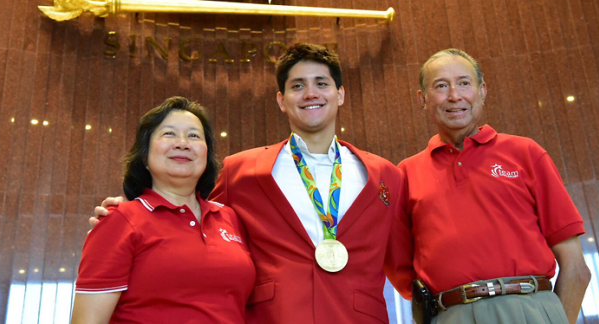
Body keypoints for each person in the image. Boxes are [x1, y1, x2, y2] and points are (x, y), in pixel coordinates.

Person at [91, 44, 410, 323]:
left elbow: (405, 265)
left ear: (340, 94)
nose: (310, 93)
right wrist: (132, 214)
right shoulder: (241, 171)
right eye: (297, 85)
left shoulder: (385, 175)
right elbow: (196, 219)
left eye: (321, 83)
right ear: (282, 100)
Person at [397, 49, 591, 324]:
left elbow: (576, 268)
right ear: (422, 99)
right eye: (441, 86)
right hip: (451, 316)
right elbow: (405, 274)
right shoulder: (405, 173)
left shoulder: (526, 153)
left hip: (531, 309)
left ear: (483, 91)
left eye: (464, 83)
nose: (454, 95)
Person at [72, 96, 255, 323]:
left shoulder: (230, 217)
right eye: (169, 134)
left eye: (194, 136)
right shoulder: (119, 219)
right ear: (144, 157)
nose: (182, 143)